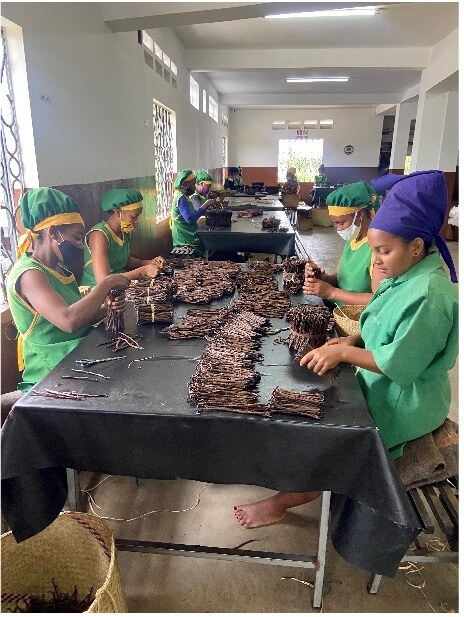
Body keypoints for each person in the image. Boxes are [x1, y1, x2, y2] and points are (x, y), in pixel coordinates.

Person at [233, 169, 458, 529]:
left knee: (334, 444)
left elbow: (398, 364)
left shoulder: (429, 294)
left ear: (416, 246)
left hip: (405, 402)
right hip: (382, 379)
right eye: (374, 250)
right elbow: (381, 321)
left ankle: (283, 501)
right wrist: (353, 339)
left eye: (384, 251)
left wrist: (343, 354)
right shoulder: (405, 276)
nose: (377, 261)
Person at [7, 187, 130, 393]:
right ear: (53, 232)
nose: (81, 246)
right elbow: (68, 321)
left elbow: (78, 314)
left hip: (76, 357)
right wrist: (105, 284)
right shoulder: (30, 274)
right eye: (77, 238)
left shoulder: (59, 268)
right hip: (52, 373)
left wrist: (105, 308)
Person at [303, 181, 383, 307]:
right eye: (335, 223)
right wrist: (321, 277)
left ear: (360, 215)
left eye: (341, 223)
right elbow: (339, 278)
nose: (338, 229)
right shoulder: (353, 240)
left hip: (352, 318)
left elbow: (379, 300)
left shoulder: (377, 250)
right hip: (336, 308)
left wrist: (331, 292)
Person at [80, 189, 164, 286]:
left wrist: (149, 262)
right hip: (96, 290)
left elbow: (125, 261)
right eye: (134, 216)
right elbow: (103, 280)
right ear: (118, 212)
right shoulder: (99, 236)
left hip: (118, 284)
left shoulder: (124, 231)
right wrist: (144, 271)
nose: (137, 221)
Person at [170, 169, 214, 257]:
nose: (194, 186)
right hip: (184, 237)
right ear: (185, 184)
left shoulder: (184, 196)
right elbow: (190, 219)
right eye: (193, 184)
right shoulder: (180, 198)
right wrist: (204, 206)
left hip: (188, 233)